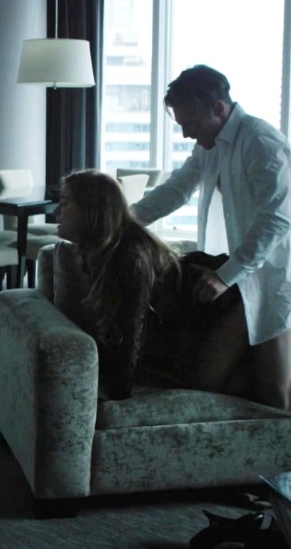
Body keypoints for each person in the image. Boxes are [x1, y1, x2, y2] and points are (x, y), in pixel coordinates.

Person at [130, 65, 291, 411]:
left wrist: (224, 276)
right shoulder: (209, 146)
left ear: (218, 108)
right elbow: (176, 190)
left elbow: (277, 220)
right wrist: (121, 221)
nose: (186, 134)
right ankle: (289, 352)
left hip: (276, 279)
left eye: (190, 124)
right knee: (208, 383)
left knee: (281, 400)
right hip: (240, 281)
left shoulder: (262, 142)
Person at [53, 170, 251, 401]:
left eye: (64, 203)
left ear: (91, 211)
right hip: (196, 316)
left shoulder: (129, 255)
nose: (56, 212)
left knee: (205, 389)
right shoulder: (95, 251)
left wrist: (116, 397)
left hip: (230, 301)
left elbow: (132, 330)